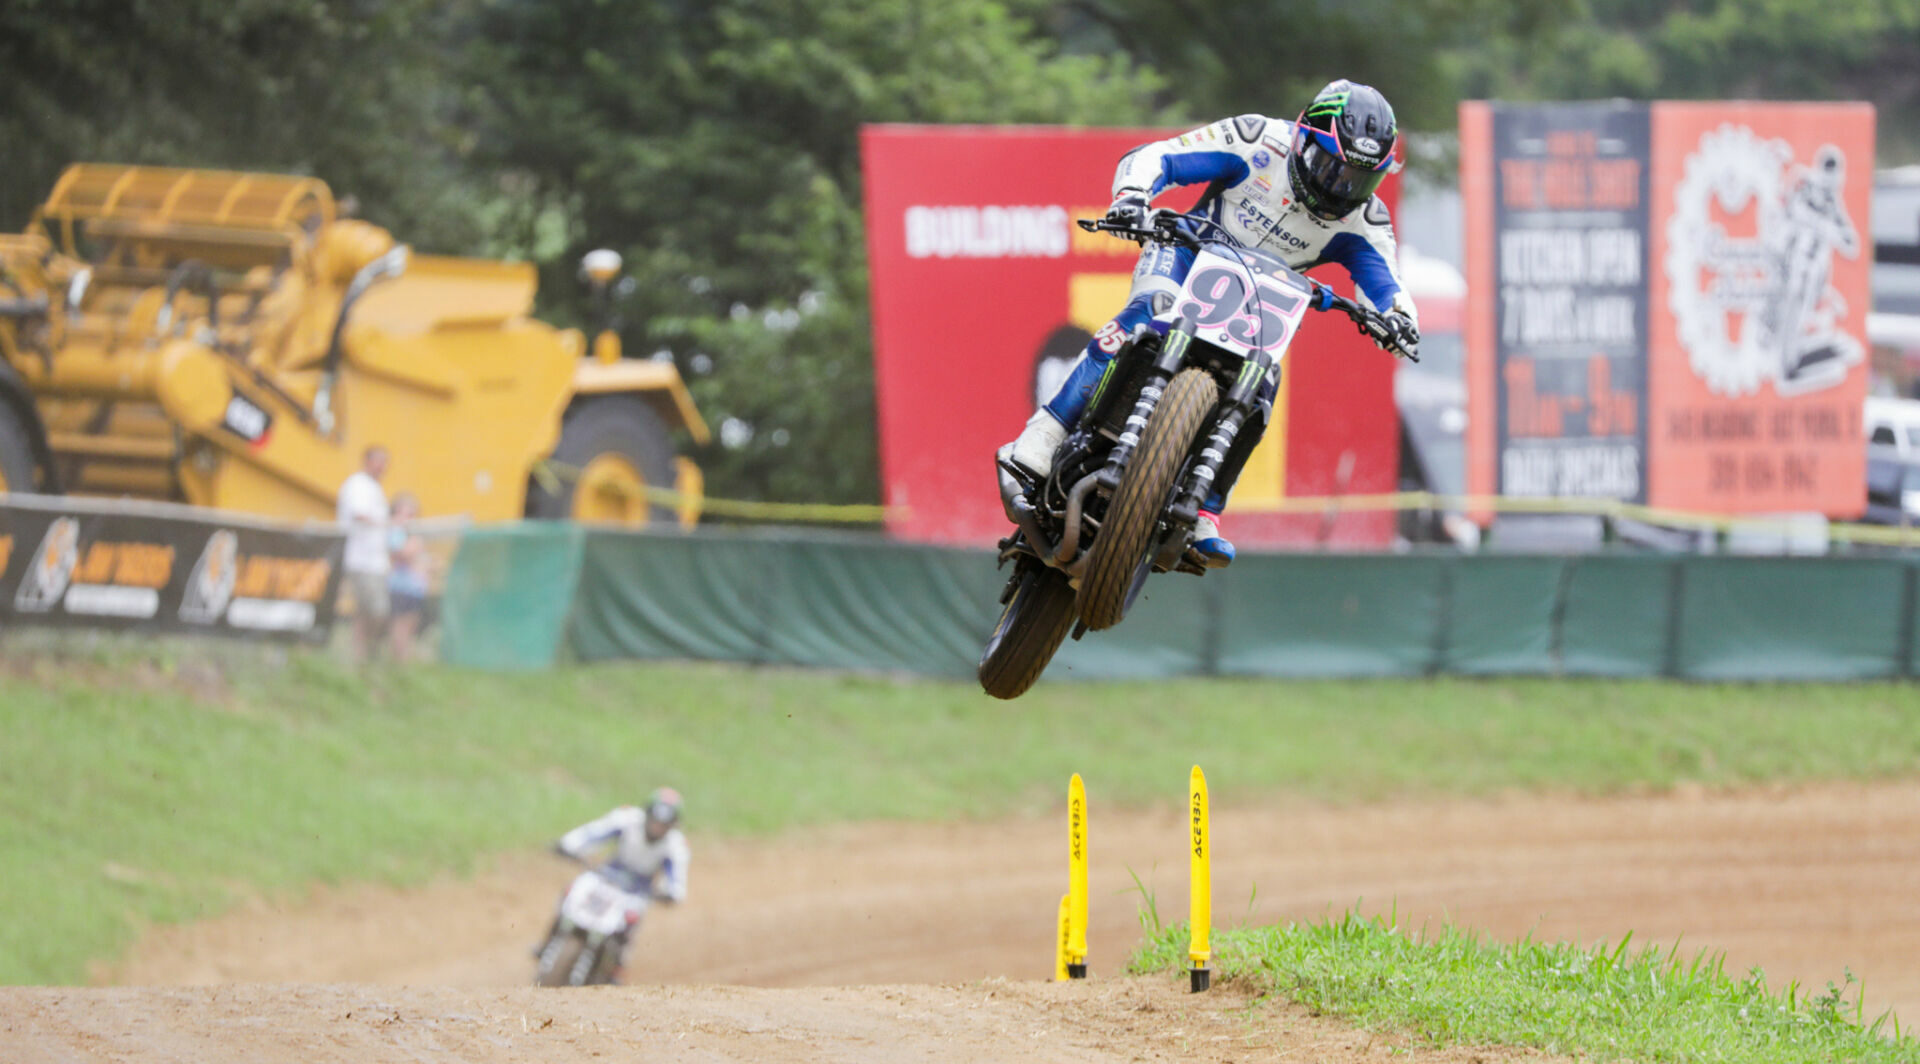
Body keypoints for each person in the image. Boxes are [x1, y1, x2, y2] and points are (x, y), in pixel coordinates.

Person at [1004, 80, 1421, 567]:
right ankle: (1045, 433)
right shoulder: (1256, 140)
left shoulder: (1365, 219)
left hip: (1264, 304)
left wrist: (1399, 321)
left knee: (1264, 382)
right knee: (1147, 312)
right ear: (1304, 139)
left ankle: (1201, 508)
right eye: (1330, 167)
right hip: (1186, 254)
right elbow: (1157, 157)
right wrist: (1132, 196)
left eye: (1357, 179)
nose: (1339, 188)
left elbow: (1389, 284)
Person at [543, 787, 690, 982]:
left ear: (672, 825)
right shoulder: (627, 820)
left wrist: (670, 893)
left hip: (637, 891)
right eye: (655, 820)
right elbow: (593, 833)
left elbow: (676, 880)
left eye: (663, 824)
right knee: (572, 892)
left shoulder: (676, 846)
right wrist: (568, 844)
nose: (657, 827)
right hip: (605, 875)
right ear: (647, 814)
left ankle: (616, 967)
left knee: (630, 920)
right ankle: (548, 942)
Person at [336, 445, 391, 662]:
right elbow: (359, 514)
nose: (382, 467)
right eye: (378, 460)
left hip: (376, 562)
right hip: (360, 560)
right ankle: (360, 653)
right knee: (375, 610)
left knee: (371, 611)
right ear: (366, 461)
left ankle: (362, 655)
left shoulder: (376, 489)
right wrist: (390, 522)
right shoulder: (357, 484)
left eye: (384, 462)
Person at [386, 491, 430, 662]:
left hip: (415, 589)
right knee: (400, 627)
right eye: (407, 513)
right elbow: (403, 554)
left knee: (411, 627)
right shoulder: (396, 532)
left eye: (413, 514)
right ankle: (398, 663)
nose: (410, 518)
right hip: (400, 587)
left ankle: (404, 662)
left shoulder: (412, 534)